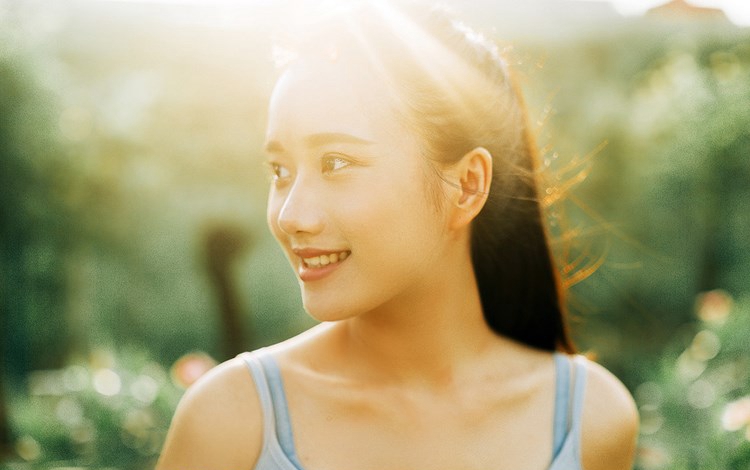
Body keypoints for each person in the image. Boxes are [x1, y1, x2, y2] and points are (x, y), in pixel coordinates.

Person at [156, 2, 639, 469]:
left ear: (467, 185)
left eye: (337, 163)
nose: (291, 216)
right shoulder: (232, 423)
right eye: (280, 170)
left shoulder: (590, 420)